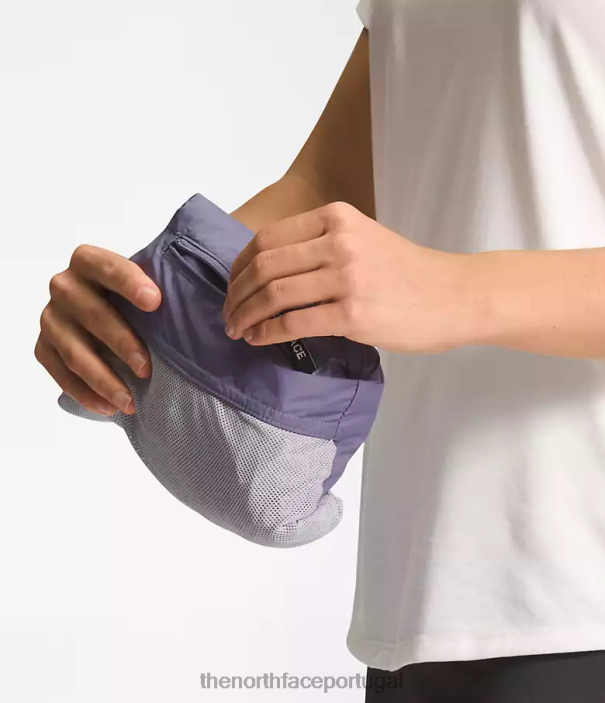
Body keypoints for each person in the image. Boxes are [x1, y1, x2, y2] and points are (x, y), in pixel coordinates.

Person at [35, 1, 605, 700]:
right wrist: (145, 304)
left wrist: (455, 289)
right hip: (421, 602)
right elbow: (332, 183)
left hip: (581, 582)